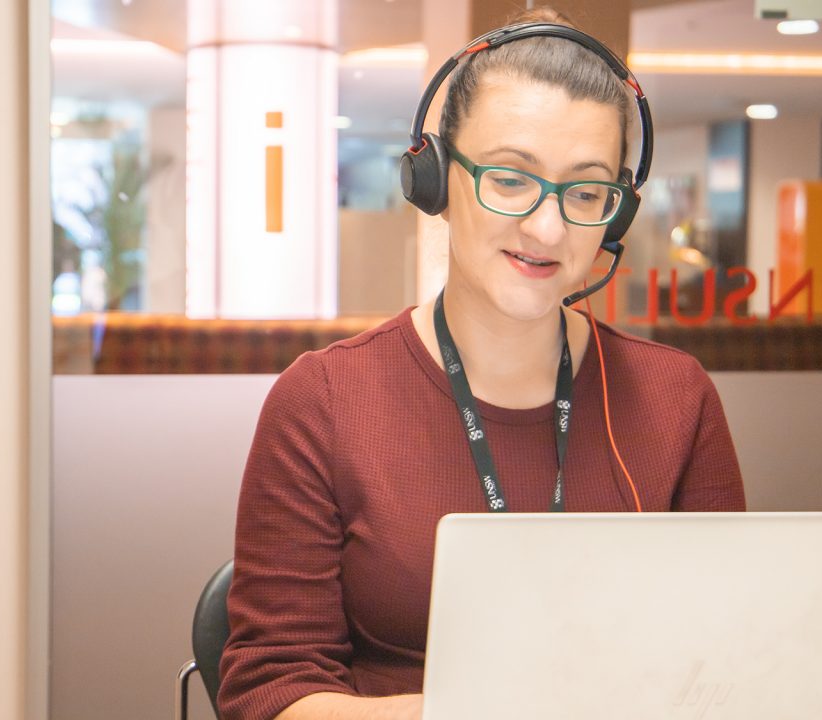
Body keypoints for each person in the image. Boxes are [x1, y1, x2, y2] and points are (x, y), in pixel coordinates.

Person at [217, 8, 746, 720]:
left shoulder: (674, 398)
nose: (548, 228)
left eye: (586, 193)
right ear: (435, 178)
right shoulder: (326, 400)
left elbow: (733, 660)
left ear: (616, 215)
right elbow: (270, 695)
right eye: (509, 179)